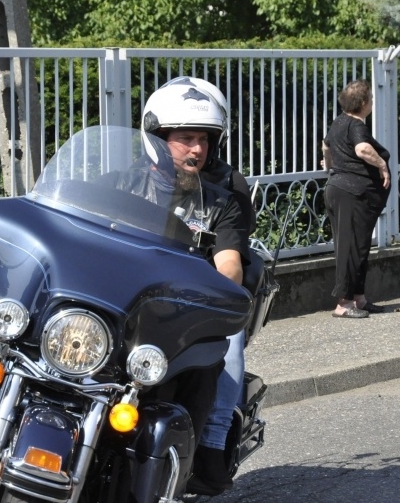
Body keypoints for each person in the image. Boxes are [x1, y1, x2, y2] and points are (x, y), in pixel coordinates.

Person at [140, 80, 251, 495]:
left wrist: (219, 292)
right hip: (136, 295)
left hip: (193, 305)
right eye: (185, 138)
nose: (196, 148)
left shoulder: (220, 202)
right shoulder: (123, 183)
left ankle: (210, 442)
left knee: (226, 344)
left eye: (203, 139)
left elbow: (229, 264)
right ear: (158, 140)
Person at [322, 79, 391, 319]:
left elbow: (326, 147)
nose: (372, 102)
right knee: (351, 247)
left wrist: (331, 167)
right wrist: (382, 164)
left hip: (339, 189)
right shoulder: (356, 125)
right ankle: (344, 304)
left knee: (357, 246)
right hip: (352, 193)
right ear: (363, 103)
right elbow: (362, 150)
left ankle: (358, 298)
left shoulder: (339, 122)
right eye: (370, 99)